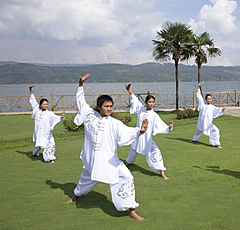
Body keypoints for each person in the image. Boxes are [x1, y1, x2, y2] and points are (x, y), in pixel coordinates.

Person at [65, 74, 148, 221]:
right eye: (106, 106)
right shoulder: (90, 115)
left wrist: (140, 131)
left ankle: (131, 209)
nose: (109, 109)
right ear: (99, 107)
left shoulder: (114, 123)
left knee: (127, 177)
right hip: (92, 158)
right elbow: (80, 101)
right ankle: (76, 195)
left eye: (111, 106)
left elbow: (127, 131)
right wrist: (80, 85)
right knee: (86, 178)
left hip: (110, 160)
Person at [125, 83, 174, 180]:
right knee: (133, 151)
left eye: (153, 102)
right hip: (137, 136)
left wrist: (169, 127)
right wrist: (129, 90)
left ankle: (162, 172)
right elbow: (135, 99)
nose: (151, 103)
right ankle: (128, 163)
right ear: (146, 102)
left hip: (147, 139)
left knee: (156, 152)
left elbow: (161, 125)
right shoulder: (140, 109)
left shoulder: (154, 115)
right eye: (150, 102)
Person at [28, 85, 65, 163]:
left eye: (47, 104)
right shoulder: (37, 110)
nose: (46, 105)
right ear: (40, 105)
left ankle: (50, 158)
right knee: (39, 143)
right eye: (44, 104)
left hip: (47, 132)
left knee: (50, 144)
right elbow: (32, 100)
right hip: (38, 131)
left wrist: (61, 117)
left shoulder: (49, 113)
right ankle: (35, 153)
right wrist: (30, 90)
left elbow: (56, 118)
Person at [189, 82, 226, 148]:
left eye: (210, 99)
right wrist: (198, 87)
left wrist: (222, 109)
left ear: (211, 100)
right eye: (208, 99)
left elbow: (218, 110)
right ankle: (194, 140)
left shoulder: (212, 107)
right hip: (201, 122)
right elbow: (199, 96)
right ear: (205, 99)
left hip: (208, 124)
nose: (209, 100)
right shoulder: (202, 104)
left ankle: (216, 144)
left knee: (216, 130)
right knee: (198, 131)